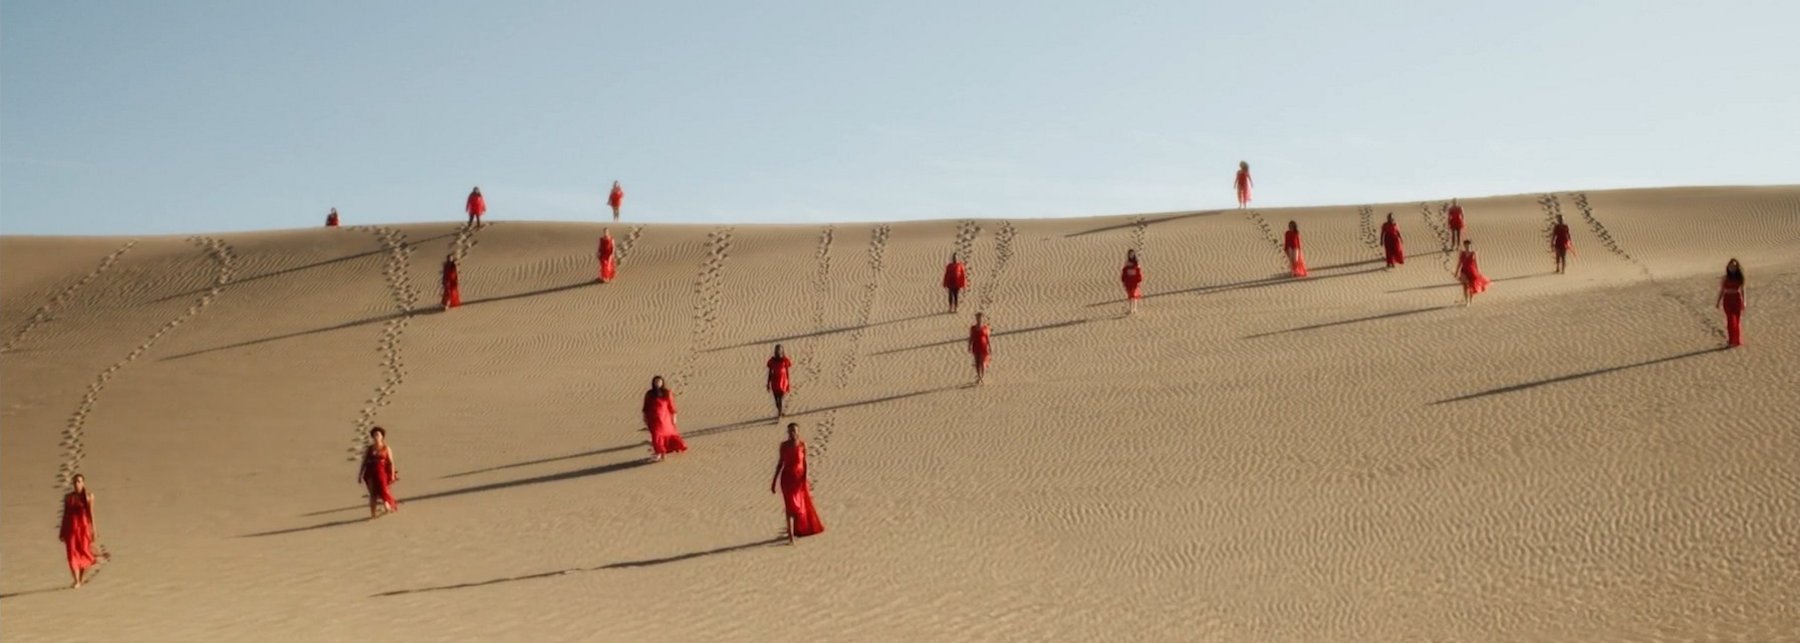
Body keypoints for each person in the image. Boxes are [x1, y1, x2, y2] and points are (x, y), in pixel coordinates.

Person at [769, 423, 825, 544]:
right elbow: (780, 464)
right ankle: (790, 536)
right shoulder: (783, 446)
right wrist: (774, 481)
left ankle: (797, 530)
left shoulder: (802, 445)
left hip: (799, 480)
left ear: (798, 432)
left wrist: (805, 478)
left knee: (799, 507)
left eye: (794, 431)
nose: (792, 433)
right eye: (790, 431)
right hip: (787, 479)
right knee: (790, 507)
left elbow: (805, 463)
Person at [59, 474, 101, 589]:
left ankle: (81, 578)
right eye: (75, 482)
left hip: (84, 530)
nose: (77, 484)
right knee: (72, 555)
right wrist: (62, 531)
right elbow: (65, 515)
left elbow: (91, 514)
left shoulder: (88, 496)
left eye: (79, 481)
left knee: (84, 553)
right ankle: (77, 580)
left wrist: (94, 530)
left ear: (83, 483)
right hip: (71, 530)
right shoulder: (68, 498)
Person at [642, 376, 687, 461]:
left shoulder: (667, 392)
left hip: (664, 418)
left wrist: (674, 417)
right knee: (656, 435)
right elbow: (646, 406)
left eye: (659, 382)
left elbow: (671, 406)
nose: (658, 383)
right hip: (653, 418)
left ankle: (662, 453)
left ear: (662, 383)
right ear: (653, 383)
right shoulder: (649, 393)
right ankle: (659, 453)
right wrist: (644, 417)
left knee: (667, 433)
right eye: (656, 382)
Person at [357, 427, 399, 518]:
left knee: (384, 490)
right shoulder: (370, 449)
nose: (376, 436)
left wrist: (392, 475)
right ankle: (373, 514)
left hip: (382, 472)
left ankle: (387, 507)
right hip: (371, 473)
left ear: (382, 437)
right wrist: (360, 474)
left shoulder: (386, 448)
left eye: (378, 435)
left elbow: (391, 462)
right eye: (375, 435)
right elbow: (364, 461)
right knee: (373, 494)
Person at [1717, 259, 1747, 348]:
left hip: (1737, 299)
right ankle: (1731, 341)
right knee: (1730, 320)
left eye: (1734, 266)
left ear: (1737, 267)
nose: (1732, 268)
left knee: (1737, 321)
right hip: (1727, 300)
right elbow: (1722, 290)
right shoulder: (1725, 278)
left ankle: (1737, 340)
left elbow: (1743, 290)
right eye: (1730, 266)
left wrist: (1744, 301)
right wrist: (1718, 302)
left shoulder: (1740, 277)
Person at [1455, 239, 1491, 306]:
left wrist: (1479, 272)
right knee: (1465, 286)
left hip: (1472, 271)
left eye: (1468, 245)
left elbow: (1476, 263)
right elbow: (1459, 263)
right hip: (1464, 271)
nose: (1467, 246)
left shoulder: (1473, 253)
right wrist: (1456, 272)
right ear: (1464, 245)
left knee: (1471, 286)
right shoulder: (1462, 253)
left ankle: (1470, 299)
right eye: (1466, 245)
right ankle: (1467, 301)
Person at [766, 344, 793, 417]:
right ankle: (779, 410)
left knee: (780, 399)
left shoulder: (785, 361)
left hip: (783, 382)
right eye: (776, 351)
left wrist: (788, 383)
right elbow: (770, 373)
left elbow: (787, 372)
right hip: (774, 382)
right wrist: (768, 384)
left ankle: (780, 414)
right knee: (776, 400)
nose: (777, 352)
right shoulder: (772, 361)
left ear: (782, 351)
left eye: (779, 351)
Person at [968, 312, 991, 385]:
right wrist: (969, 345)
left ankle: (982, 377)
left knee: (982, 362)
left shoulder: (985, 328)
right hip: (976, 345)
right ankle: (979, 376)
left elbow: (987, 338)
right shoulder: (973, 328)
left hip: (983, 346)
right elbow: (971, 337)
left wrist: (989, 346)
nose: (979, 319)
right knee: (977, 362)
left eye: (980, 318)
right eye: (978, 318)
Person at [1120, 249, 1144, 315]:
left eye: (1132, 254)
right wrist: (1123, 280)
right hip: (1128, 281)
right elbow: (1124, 272)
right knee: (1130, 295)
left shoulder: (1137, 262)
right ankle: (1131, 309)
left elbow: (1139, 272)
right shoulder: (1127, 262)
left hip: (1134, 281)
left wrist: (1139, 280)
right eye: (1130, 254)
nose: (1131, 255)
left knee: (1134, 294)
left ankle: (1135, 308)